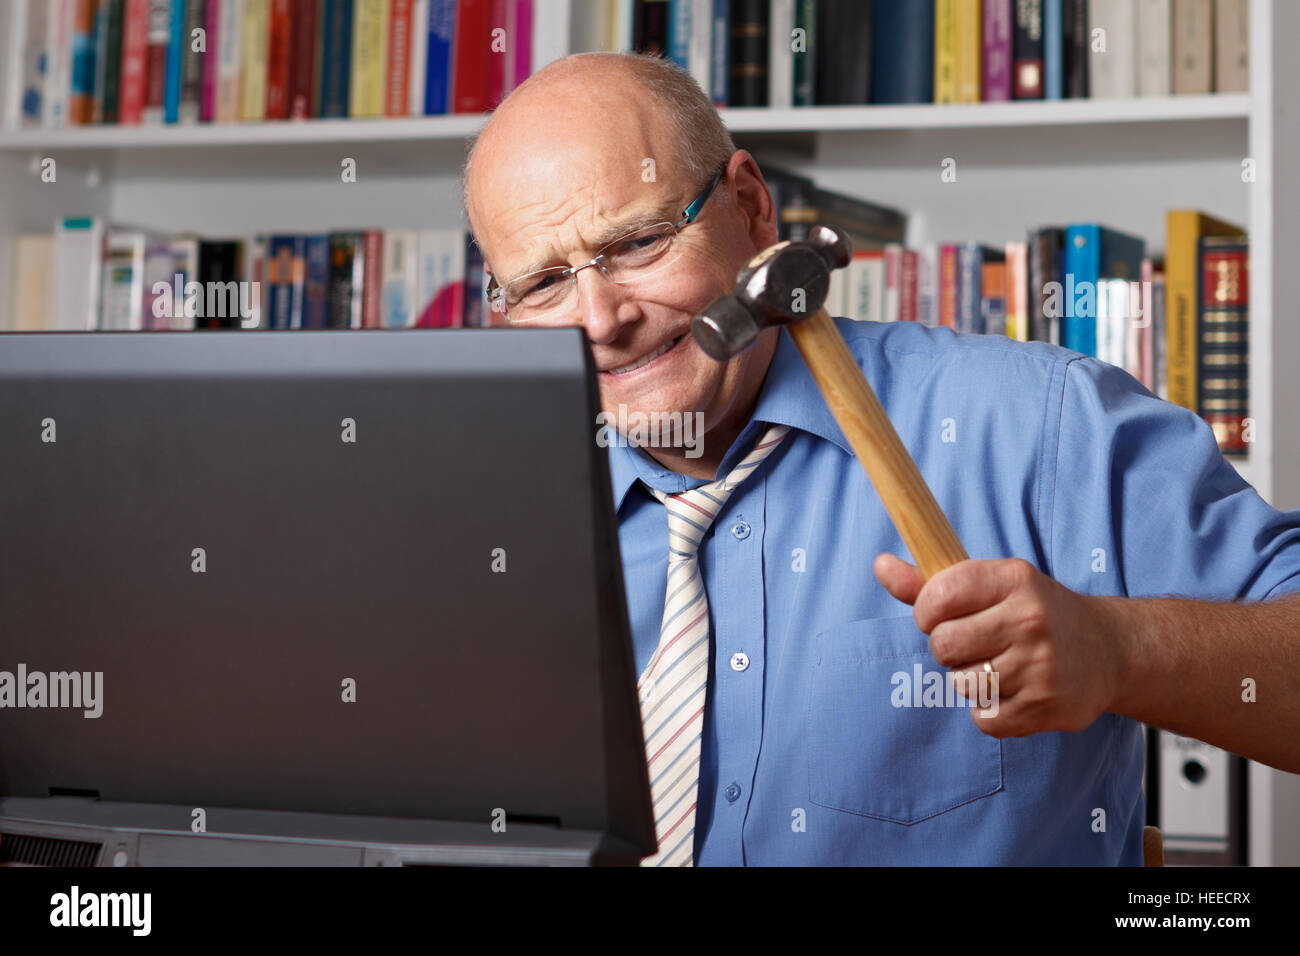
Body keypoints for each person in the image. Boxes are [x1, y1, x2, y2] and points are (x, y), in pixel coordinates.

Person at [462, 52, 1300, 866]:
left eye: (640, 242)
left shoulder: (1033, 427)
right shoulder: (496, 518)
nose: (603, 318)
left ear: (752, 208)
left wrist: (1120, 652)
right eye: (543, 286)